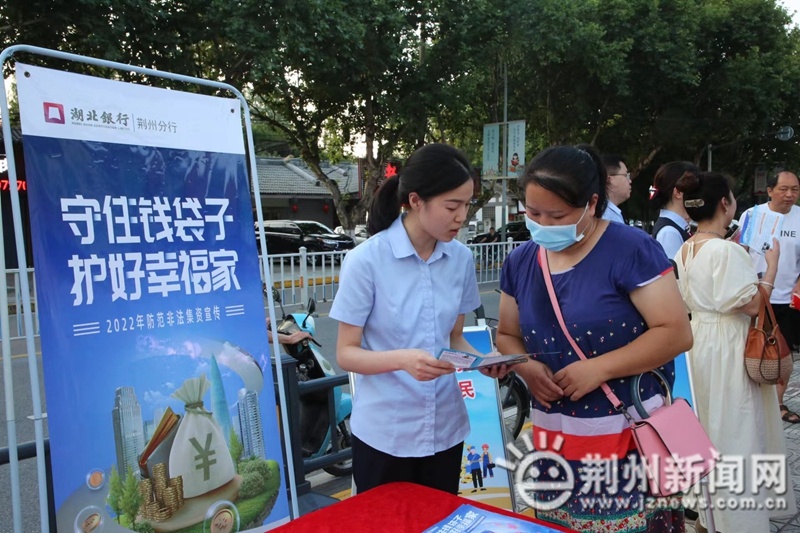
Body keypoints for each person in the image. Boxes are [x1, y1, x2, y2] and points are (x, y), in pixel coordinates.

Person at [496, 144, 692, 532]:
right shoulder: (520, 262)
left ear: (592, 204)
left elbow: (675, 333)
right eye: (533, 213)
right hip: (556, 437)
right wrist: (527, 367)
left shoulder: (632, 249)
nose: (543, 225)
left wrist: (598, 369)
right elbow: (506, 334)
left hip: (628, 431)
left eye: (557, 215)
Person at [330, 143, 509, 494]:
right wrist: (403, 360)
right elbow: (346, 353)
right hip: (386, 434)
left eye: (467, 204)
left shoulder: (460, 259)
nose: (463, 216)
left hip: (445, 428)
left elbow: (454, 338)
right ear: (415, 201)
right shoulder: (366, 260)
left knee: (438, 523)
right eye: (452, 206)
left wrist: (483, 361)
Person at [673, 170, 795, 533]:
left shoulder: (686, 247)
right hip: (728, 342)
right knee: (736, 428)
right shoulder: (726, 250)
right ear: (725, 203)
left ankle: (705, 510)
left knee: (706, 426)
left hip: (698, 340)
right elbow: (751, 304)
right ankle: (737, 517)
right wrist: (770, 270)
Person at [739, 171, 800, 424]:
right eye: (784, 189)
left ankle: (777, 404)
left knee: (782, 357)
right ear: (770, 190)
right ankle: (748, 404)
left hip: (787, 300)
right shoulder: (752, 216)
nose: (789, 195)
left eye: (795, 189)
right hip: (754, 298)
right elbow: (739, 252)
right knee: (751, 353)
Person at [650, 161, 699, 259]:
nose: (699, 194)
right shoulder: (669, 232)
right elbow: (675, 272)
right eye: (695, 189)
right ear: (678, 192)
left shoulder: (678, 227)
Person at [601, 154, 631, 224]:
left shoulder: (610, 213)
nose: (630, 181)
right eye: (626, 175)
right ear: (609, 179)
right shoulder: (607, 218)